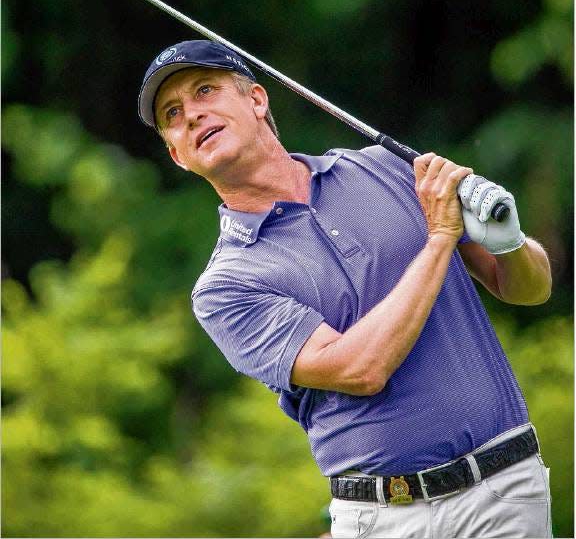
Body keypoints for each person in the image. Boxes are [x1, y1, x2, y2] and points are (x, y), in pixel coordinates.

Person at [138, 39, 553, 538]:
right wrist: (441, 239)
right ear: (177, 155)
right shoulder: (226, 286)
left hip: (502, 492)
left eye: (206, 91)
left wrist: (510, 242)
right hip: (383, 518)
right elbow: (360, 368)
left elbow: (530, 289)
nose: (192, 115)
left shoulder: (385, 166)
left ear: (256, 100)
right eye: (173, 114)